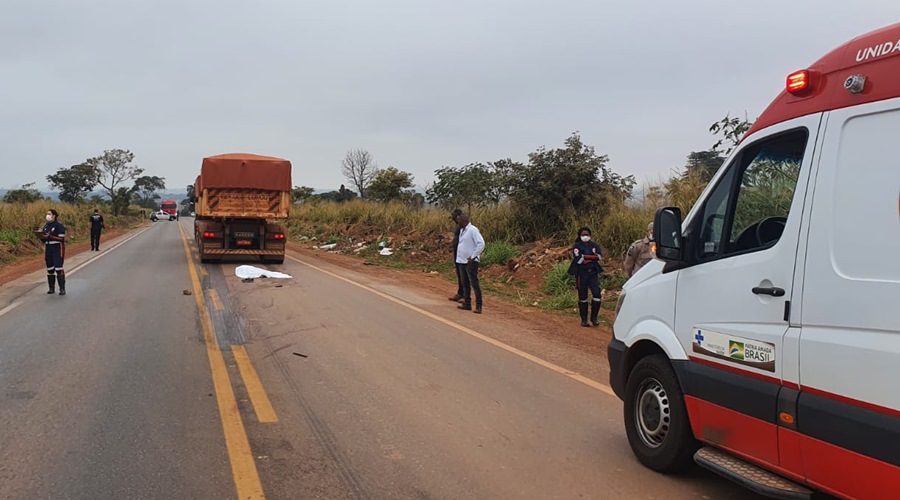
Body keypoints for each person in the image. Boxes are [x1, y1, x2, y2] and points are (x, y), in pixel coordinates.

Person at [571, 227, 602, 327]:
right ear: (580, 236)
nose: (585, 236)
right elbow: (579, 259)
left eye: (587, 234)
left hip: (593, 273)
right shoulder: (577, 246)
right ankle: (584, 320)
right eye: (583, 235)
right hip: (581, 274)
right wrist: (591, 257)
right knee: (583, 296)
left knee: (597, 294)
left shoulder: (594, 245)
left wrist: (586, 257)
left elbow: (599, 256)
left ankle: (594, 318)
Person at [455, 213, 485, 314]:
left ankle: (479, 305)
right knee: (465, 284)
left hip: (470, 262)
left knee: (474, 284)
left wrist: (473, 256)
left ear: (464, 221)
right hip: (462, 261)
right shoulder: (462, 230)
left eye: (459, 221)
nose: (457, 223)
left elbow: (481, 244)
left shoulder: (472, 230)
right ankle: (467, 304)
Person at [40, 209, 67, 295]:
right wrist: (42, 236)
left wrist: (50, 236)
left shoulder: (58, 226)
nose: (47, 215)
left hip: (57, 248)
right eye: (47, 214)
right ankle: (51, 288)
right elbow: (44, 239)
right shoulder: (45, 226)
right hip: (48, 248)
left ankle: (62, 289)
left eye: (49, 214)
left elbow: (61, 239)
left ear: (54, 215)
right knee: (50, 269)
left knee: (58, 268)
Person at [448, 208, 465, 303]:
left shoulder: (464, 226)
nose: (452, 218)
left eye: (454, 216)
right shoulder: (458, 226)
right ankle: (460, 293)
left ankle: (465, 296)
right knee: (459, 273)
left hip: (462, 253)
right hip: (457, 252)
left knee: (463, 274)